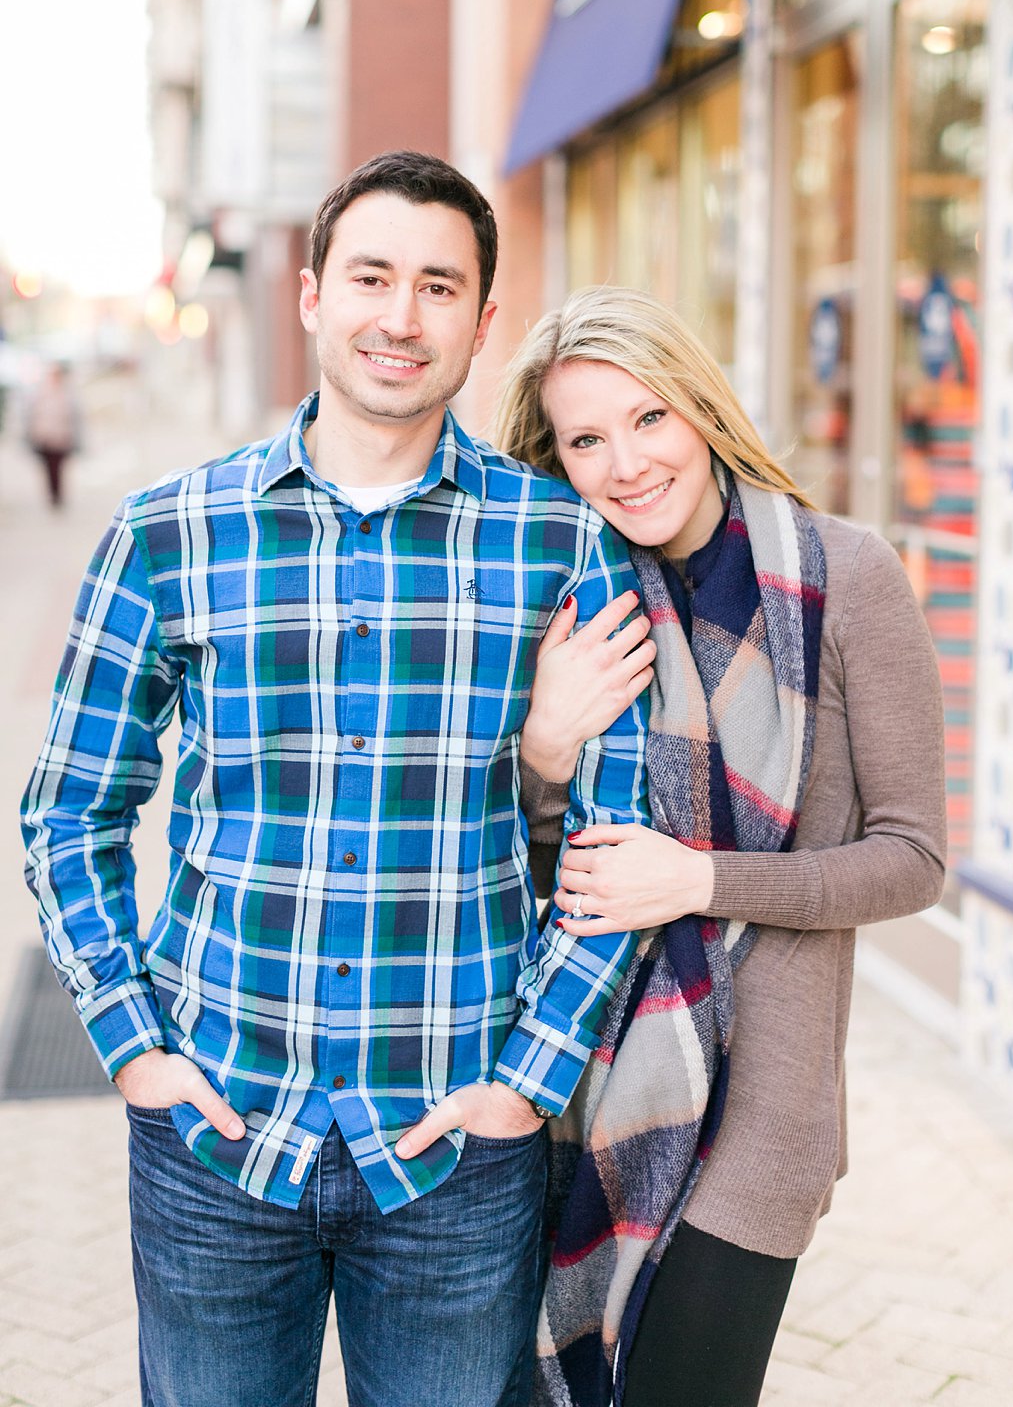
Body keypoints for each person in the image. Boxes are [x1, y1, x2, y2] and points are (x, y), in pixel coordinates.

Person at [21, 151, 650, 1407]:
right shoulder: (168, 533)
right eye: (371, 276)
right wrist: (134, 1046)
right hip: (214, 1134)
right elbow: (70, 809)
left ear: (481, 323)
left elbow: (614, 841)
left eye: (436, 287)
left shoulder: (560, 539)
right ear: (313, 294)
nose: (398, 316)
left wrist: (526, 1084)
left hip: (454, 1154)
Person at [491, 284, 948, 1407]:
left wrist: (694, 880)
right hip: (573, 1081)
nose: (626, 463)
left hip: (762, 1109)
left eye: (648, 419)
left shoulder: (846, 580)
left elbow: (912, 858)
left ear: (701, 408)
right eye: (586, 439)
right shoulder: (564, 602)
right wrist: (542, 745)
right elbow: (504, 859)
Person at [25, 358, 83, 508]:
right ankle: (52, 494)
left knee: (59, 468)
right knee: (48, 468)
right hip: (45, 437)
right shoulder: (40, 393)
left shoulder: (67, 394)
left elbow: (74, 417)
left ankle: (58, 495)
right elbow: (34, 416)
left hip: (62, 438)